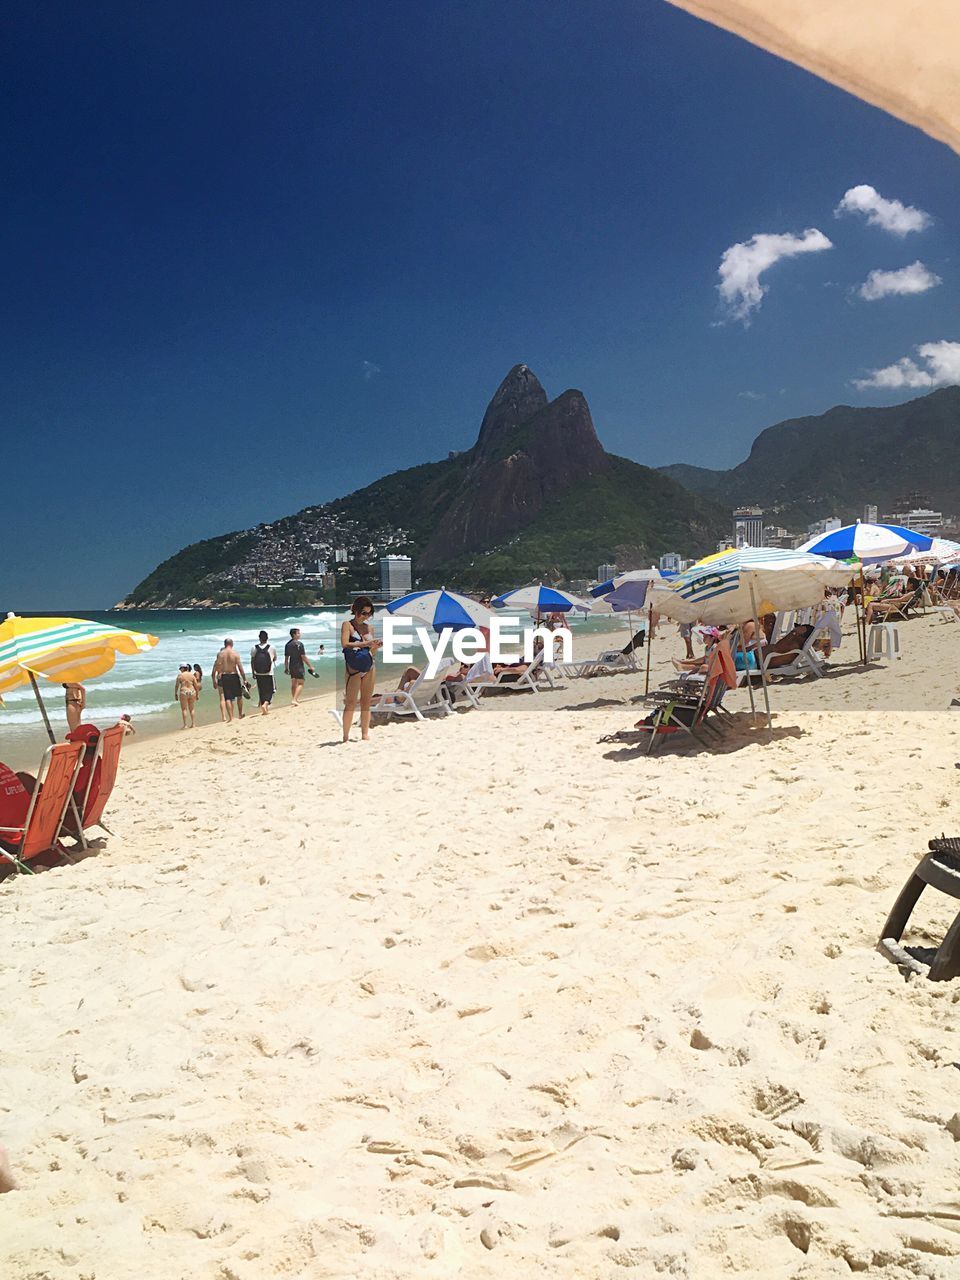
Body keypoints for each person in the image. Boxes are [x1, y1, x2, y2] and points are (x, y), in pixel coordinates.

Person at [340, 596, 380, 742]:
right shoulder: (347, 625)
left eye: (369, 614)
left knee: (366, 702)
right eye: (363, 613)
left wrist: (374, 646)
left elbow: (371, 652)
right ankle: (345, 736)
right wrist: (365, 643)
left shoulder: (369, 628)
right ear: (356, 610)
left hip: (369, 665)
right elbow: (344, 644)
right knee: (350, 702)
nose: (366, 616)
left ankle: (364, 733)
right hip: (353, 668)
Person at [212, 639, 248, 722]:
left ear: (225, 644)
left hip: (225, 675)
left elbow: (217, 666)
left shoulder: (221, 654)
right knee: (239, 695)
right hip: (234, 675)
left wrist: (216, 678)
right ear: (232, 644)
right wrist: (244, 679)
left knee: (227, 697)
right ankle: (240, 714)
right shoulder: (235, 653)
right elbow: (240, 667)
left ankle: (231, 717)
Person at [284, 627, 317, 706]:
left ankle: (294, 699)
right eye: (298, 633)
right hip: (299, 665)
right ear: (294, 634)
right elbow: (303, 657)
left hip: (291, 665)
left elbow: (286, 658)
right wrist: (310, 666)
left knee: (294, 683)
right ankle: (294, 699)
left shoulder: (287, 644)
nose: (300, 634)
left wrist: (286, 668)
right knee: (301, 683)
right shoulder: (299, 644)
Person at [250, 630, 277, 715]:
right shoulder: (272, 647)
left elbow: (252, 661)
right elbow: (274, 658)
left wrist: (253, 672)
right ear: (267, 638)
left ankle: (264, 709)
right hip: (269, 673)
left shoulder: (254, 648)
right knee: (271, 690)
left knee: (261, 690)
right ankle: (265, 704)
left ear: (259, 638)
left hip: (258, 673)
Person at [174, 664, 199, 728]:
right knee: (192, 709)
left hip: (184, 692)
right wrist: (197, 694)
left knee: (184, 709)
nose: (180, 670)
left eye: (180, 669)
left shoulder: (180, 676)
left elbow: (177, 685)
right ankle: (193, 724)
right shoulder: (191, 675)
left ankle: (185, 725)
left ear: (183, 668)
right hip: (192, 691)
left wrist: (175, 693)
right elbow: (196, 685)